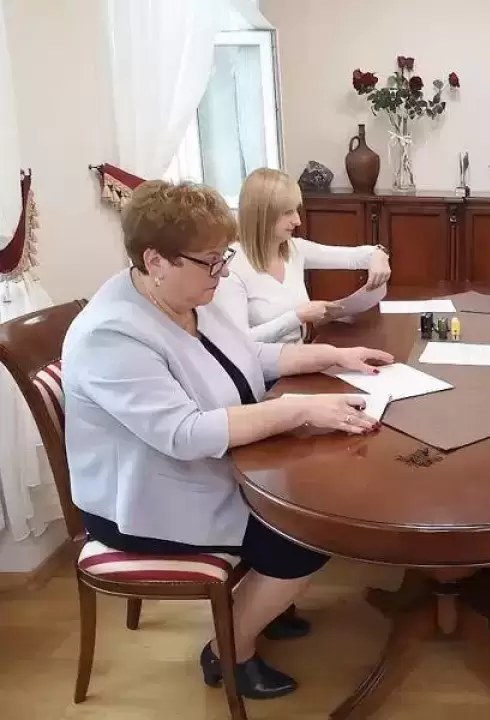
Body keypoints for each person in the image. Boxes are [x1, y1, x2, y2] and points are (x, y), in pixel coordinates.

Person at [62, 180, 394, 699]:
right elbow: (185, 434)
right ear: (156, 260)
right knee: (305, 532)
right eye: (211, 261)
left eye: (224, 258)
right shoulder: (112, 334)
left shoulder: (193, 292)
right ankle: (228, 650)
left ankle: (264, 605)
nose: (222, 271)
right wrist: (296, 409)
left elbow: (250, 356)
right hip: (146, 498)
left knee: (306, 495)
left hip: (205, 467)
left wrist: (334, 357)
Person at [214, 167, 392, 344]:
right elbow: (238, 343)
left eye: (296, 210)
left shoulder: (294, 249)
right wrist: (298, 316)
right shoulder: (230, 268)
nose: (297, 221)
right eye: (287, 213)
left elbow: (354, 256)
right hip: (265, 362)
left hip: (300, 355)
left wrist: (378, 255)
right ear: (262, 215)